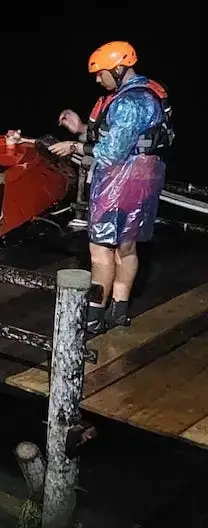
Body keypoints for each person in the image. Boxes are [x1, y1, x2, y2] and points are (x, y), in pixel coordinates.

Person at [48, 41, 173, 334]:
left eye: (100, 72)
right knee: (127, 247)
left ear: (118, 68)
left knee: (100, 250)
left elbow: (112, 152)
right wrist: (81, 128)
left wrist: (73, 145)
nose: (97, 79)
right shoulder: (144, 94)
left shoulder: (130, 102)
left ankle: (93, 316)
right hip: (145, 179)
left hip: (120, 182)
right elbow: (121, 135)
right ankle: (118, 311)